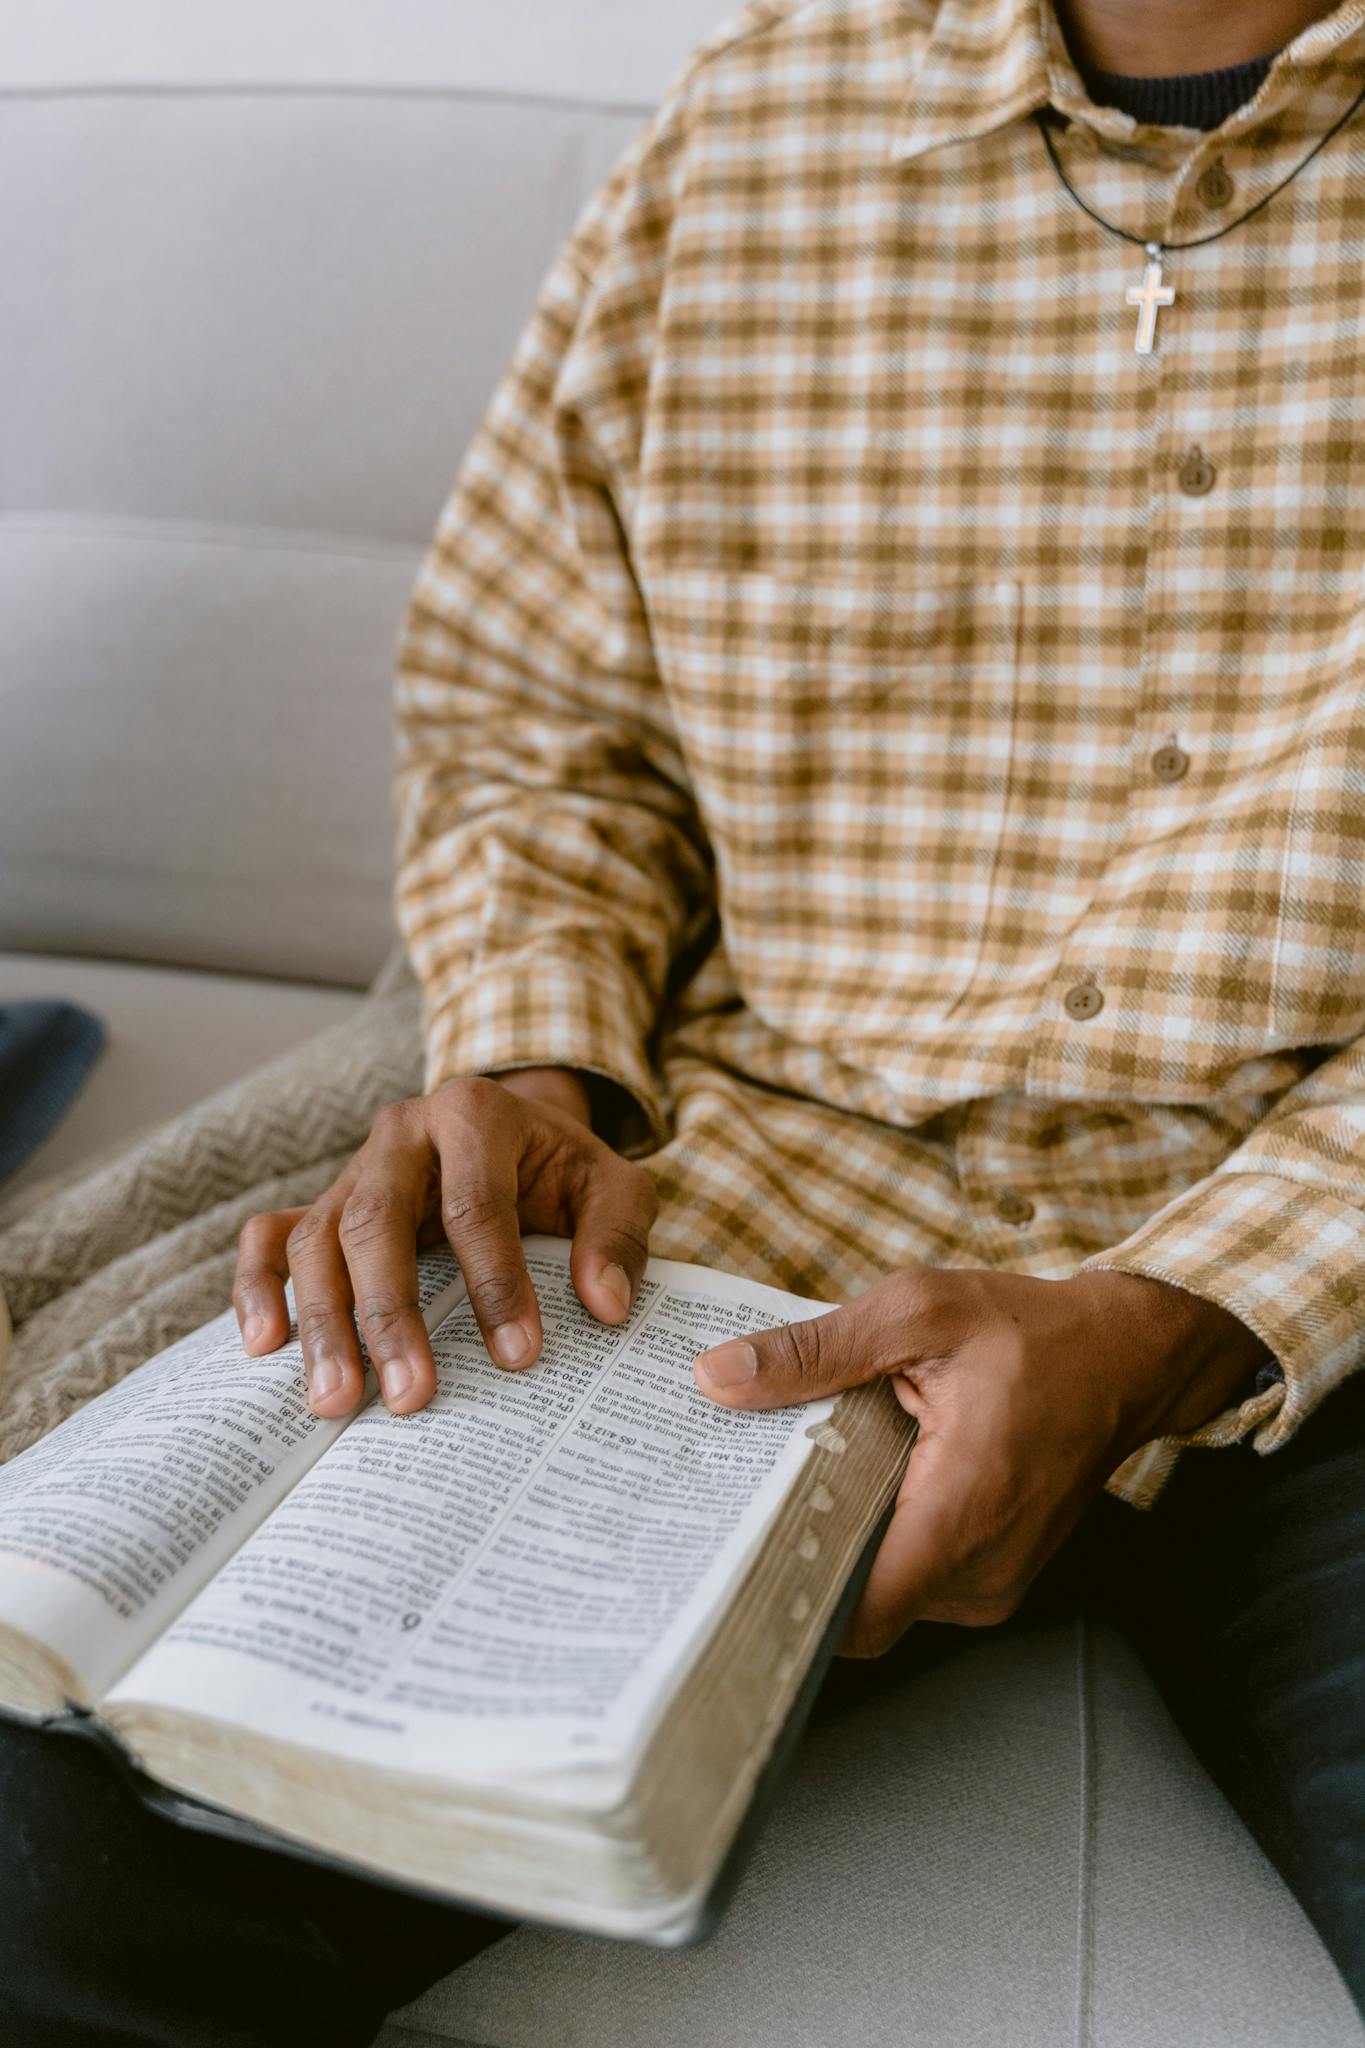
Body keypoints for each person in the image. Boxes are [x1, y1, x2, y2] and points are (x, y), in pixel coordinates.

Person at [4, 0, 1364, 2040]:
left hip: (1322, 1295)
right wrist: (531, 1063)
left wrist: (1174, 1318)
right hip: (742, 1221)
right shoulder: (757, 123)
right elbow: (538, 731)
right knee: (47, 1863)